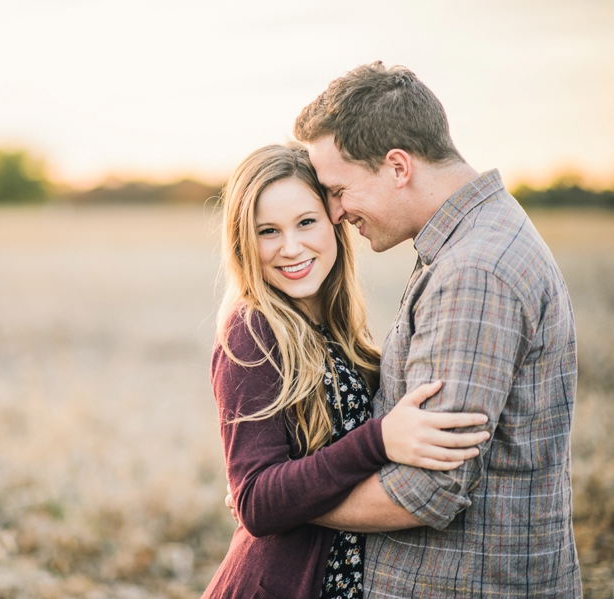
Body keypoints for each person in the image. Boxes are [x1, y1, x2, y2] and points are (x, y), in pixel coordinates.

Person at [287, 62, 581, 597]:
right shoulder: (473, 239)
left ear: (398, 166)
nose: (333, 213)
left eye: (338, 189)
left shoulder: (474, 270)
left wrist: (282, 503)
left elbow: (427, 491)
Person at [204, 143, 490, 599]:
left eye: (306, 222)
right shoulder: (252, 329)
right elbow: (256, 501)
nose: (291, 247)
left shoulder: (331, 325)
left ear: (335, 221)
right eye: (268, 231)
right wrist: (378, 441)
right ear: (244, 241)